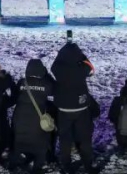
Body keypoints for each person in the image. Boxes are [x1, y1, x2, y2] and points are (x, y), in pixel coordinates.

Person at [51, 40, 96, 174]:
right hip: (81, 108)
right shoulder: (82, 69)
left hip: (63, 108)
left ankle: (66, 166)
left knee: (65, 139)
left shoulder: (58, 69)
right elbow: (90, 66)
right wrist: (81, 56)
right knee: (85, 138)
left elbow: (54, 65)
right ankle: (88, 165)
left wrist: (62, 54)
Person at [10, 59, 55, 174]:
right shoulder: (46, 84)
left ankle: (13, 165)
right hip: (37, 120)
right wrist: (47, 75)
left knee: (18, 142)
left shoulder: (22, 82)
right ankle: (37, 168)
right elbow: (55, 90)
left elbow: (14, 96)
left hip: (20, 119)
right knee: (40, 145)